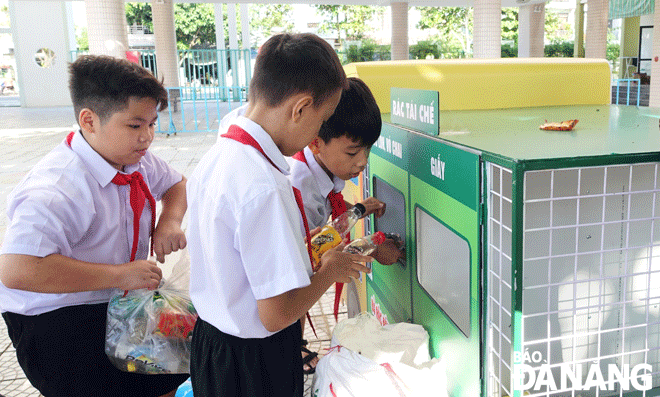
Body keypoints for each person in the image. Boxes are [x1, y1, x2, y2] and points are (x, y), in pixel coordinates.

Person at [186, 32, 372, 397]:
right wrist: (329, 271)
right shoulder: (264, 186)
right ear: (300, 108)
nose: (318, 132)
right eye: (323, 120)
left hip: (212, 344)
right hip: (253, 361)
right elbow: (277, 313)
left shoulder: (220, 154)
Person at [0, 55, 189, 397]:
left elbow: (176, 184)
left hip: (118, 297)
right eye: (135, 125)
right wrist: (119, 275)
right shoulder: (56, 188)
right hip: (57, 314)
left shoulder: (133, 160)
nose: (147, 137)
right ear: (88, 120)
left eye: (152, 123)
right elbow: (17, 269)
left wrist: (169, 222)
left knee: (166, 371)